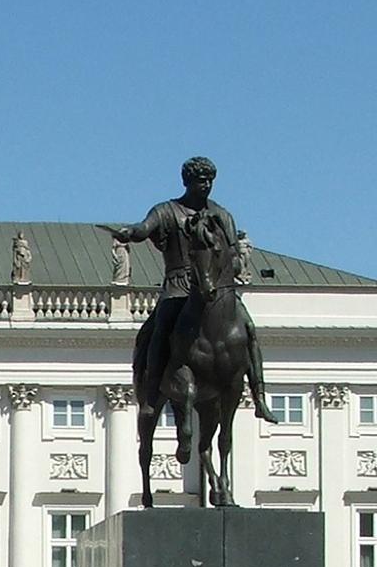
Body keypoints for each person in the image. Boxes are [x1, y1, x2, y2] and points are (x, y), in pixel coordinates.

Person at [107, 157, 276, 422]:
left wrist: (227, 269)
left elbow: (231, 253)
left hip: (217, 290)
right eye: (200, 181)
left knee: (248, 330)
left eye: (210, 181)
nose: (206, 185)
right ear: (187, 182)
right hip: (178, 287)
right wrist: (132, 232)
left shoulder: (222, 215)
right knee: (157, 331)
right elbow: (145, 228)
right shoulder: (166, 211)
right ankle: (151, 397)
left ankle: (259, 397)